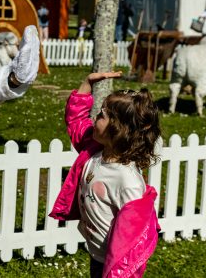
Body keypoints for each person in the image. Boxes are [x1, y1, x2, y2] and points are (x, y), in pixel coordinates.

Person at [50, 72, 161, 278]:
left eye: (101, 115)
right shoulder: (94, 150)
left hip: (114, 265)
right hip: (96, 252)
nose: (95, 117)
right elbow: (76, 121)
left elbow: (134, 238)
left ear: (119, 129)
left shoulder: (127, 180)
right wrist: (87, 84)